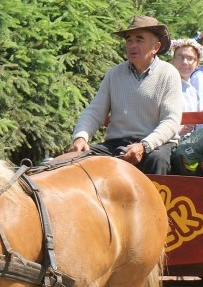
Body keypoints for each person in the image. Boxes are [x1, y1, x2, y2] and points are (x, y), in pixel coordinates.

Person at [68, 15, 183, 174]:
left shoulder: (169, 74)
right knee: (78, 161)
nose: (132, 45)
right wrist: (80, 137)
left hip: (156, 144)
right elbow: (95, 111)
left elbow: (171, 121)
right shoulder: (114, 74)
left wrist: (144, 145)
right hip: (117, 144)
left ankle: (153, 200)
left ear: (155, 47)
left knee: (157, 160)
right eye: (129, 40)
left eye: (139, 40)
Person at [170, 37, 203, 136]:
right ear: (173, 60)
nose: (185, 62)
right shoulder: (167, 85)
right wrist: (180, 130)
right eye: (180, 57)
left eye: (190, 58)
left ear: (197, 63)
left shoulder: (193, 90)